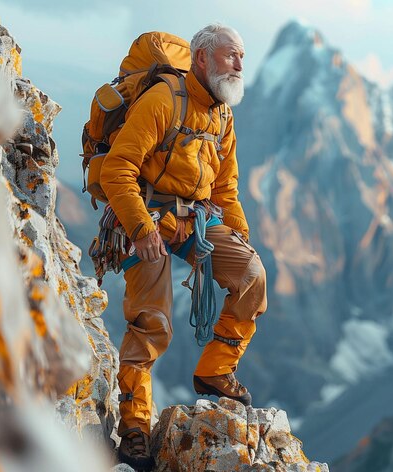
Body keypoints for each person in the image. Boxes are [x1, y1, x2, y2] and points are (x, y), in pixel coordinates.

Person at [100, 24, 267, 470]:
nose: (239, 65)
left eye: (242, 57)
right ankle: (134, 428)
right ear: (201, 59)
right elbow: (117, 169)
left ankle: (215, 371)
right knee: (152, 322)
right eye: (231, 55)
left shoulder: (222, 117)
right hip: (144, 216)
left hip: (194, 219)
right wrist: (140, 229)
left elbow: (226, 188)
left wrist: (239, 238)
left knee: (251, 275)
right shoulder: (163, 100)